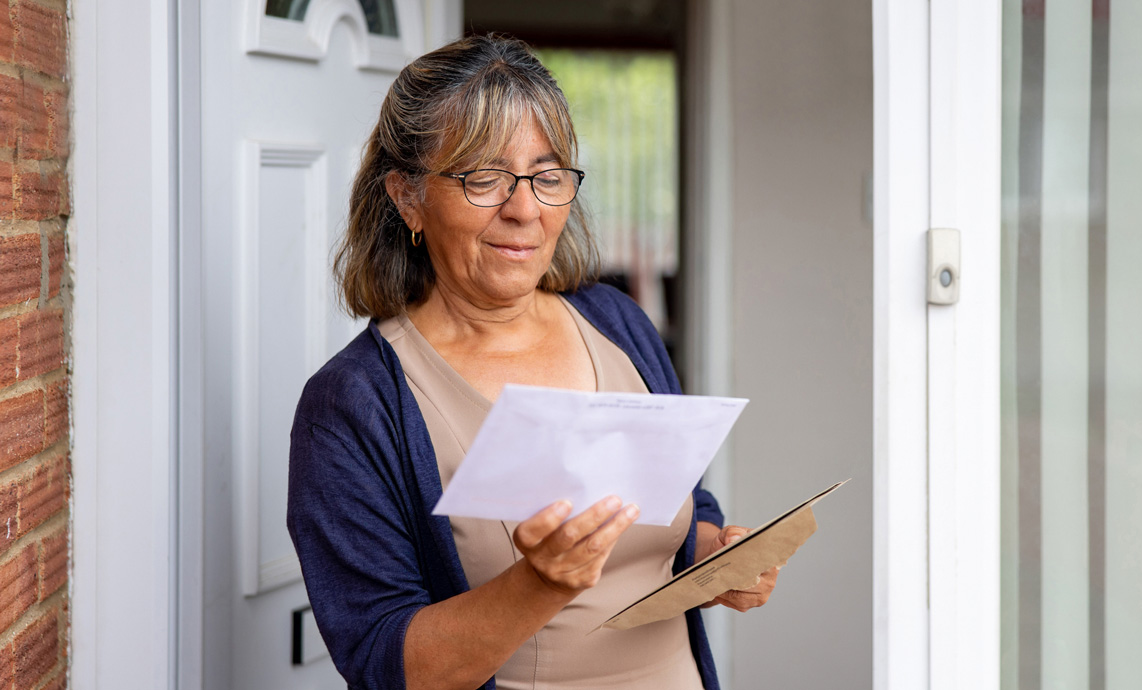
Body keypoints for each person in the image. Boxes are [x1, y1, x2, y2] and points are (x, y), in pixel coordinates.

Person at [287, 34, 779, 690]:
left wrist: (716, 556)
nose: (523, 210)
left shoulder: (617, 321)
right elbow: (382, 663)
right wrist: (538, 584)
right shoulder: (352, 404)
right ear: (407, 197)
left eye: (547, 178)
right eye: (483, 178)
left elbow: (684, 498)